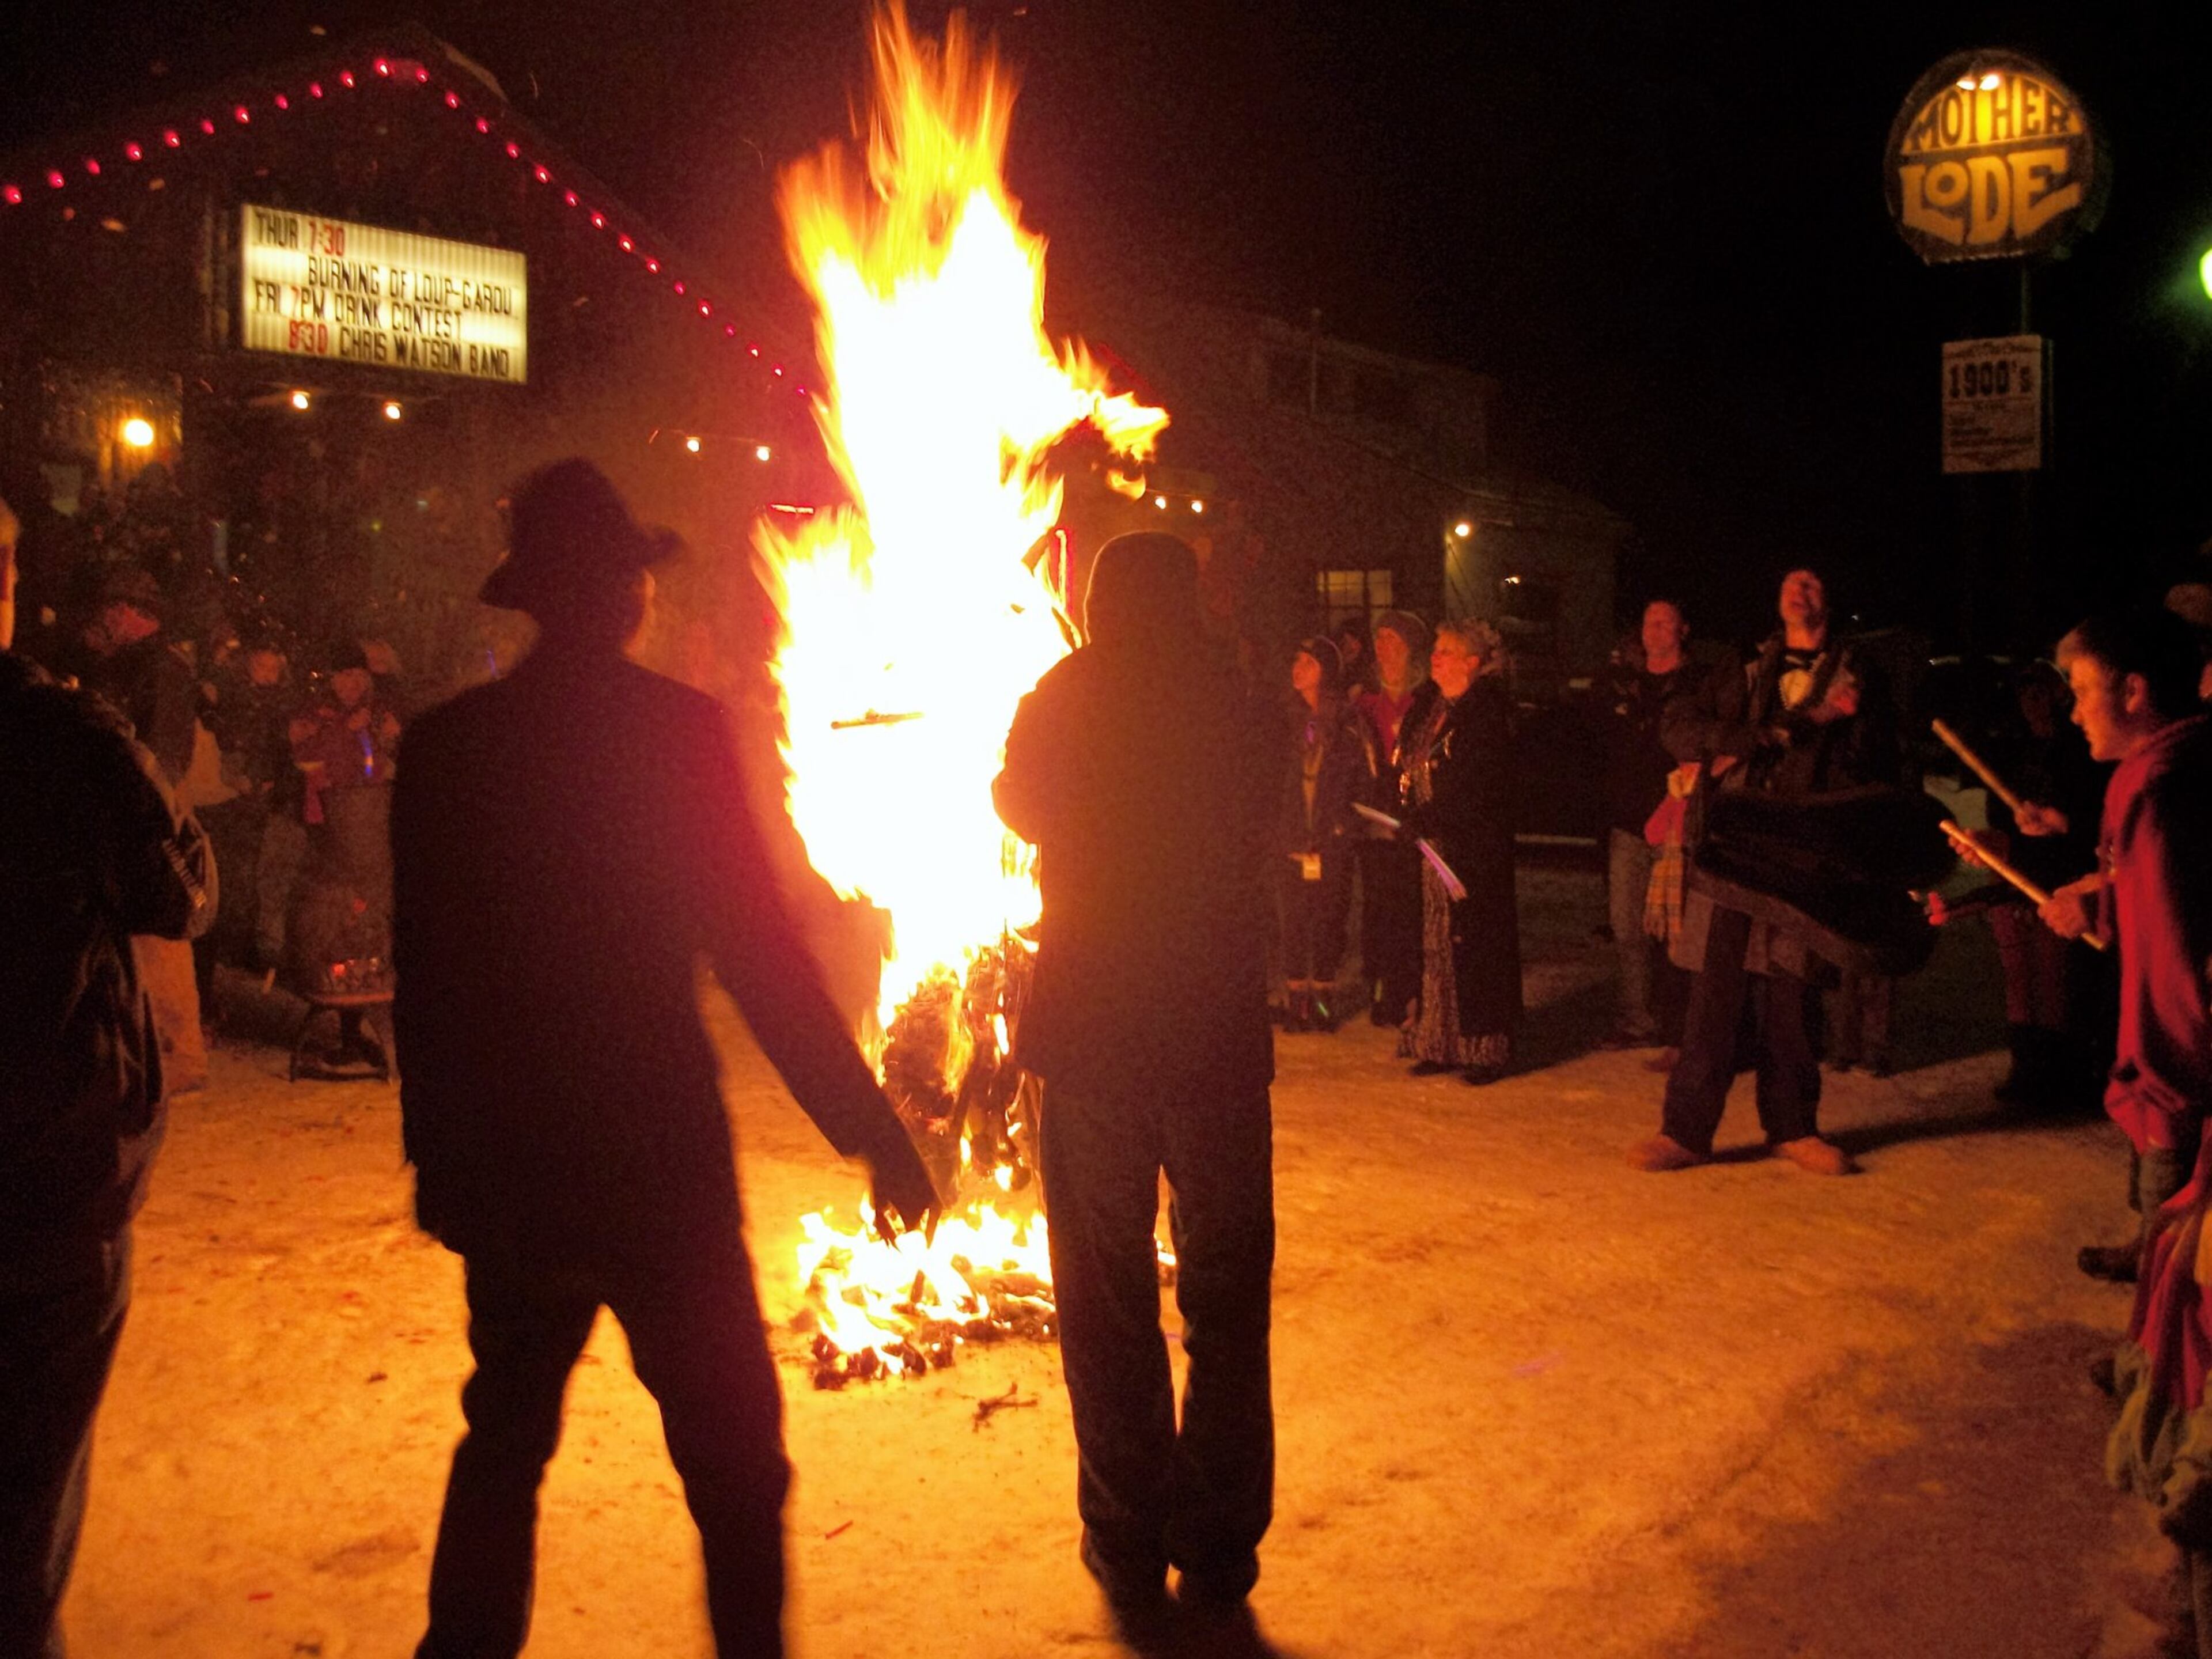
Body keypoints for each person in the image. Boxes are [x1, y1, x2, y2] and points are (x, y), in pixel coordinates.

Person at [391, 459, 938, 1659]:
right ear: (623, 593)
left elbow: (425, 986)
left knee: (506, 1449)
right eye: (635, 574)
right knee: (738, 1466)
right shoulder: (677, 737)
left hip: (519, 1168)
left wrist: (439, 1158)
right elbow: (759, 958)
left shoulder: (447, 752)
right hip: (656, 1168)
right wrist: (875, 1130)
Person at [994, 531, 1278, 1638]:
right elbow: (1262, 816)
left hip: (1097, 1041)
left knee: (1104, 1303)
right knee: (1227, 1300)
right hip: (1210, 1039)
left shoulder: (1061, 694)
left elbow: (1018, 804)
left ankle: (1123, 1538)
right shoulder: (1238, 699)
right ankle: (1215, 1547)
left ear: (1104, 602)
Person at [1, 495, 213, 1656]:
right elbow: (173, 896)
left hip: (49, 1161)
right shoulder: (64, 737)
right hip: (45, 1170)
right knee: (26, 1490)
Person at [1631, 568, 1899, 1176]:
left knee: (1792, 995)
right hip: (1735, 842)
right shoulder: (1743, 666)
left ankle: (1794, 1128)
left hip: (1805, 851)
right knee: (1714, 996)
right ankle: (1686, 1132)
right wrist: (1756, 738)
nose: (1799, 591)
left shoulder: (1861, 676)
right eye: (1790, 583)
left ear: (1829, 598)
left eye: (1812, 582)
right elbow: (1679, 725)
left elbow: (1882, 762)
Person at [2025, 610, 2212, 1283]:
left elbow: (2173, 950)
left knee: (2183, 1236)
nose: (2073, 714)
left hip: (2179, 1058)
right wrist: (2103, 890)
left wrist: (2163, 1076)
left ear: (2133, 692)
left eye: (2081, 692)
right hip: (2180, 1047)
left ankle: (2155, 1361)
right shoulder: (2177, 762)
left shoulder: (2158, 787)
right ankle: (2150, 1263)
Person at [1395, 618, 1521, 1085]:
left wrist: (1431, 819)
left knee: (1473, 943)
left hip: (1470, 849)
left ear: (1472, 662)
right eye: (1436, 647)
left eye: (1447, 650)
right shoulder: (1429, 707)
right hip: (1429, 846)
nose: (1436, 655)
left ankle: (1482, 1044)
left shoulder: (1485, 713)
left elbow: (1477, 784)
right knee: (1433, 942)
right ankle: (1438, 1038)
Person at [1600, 599, 1699, 1050]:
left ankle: (1681, 1024)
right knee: (1627, 925)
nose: (1653, 630)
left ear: (1683, 630)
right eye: (1647, 622)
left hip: (1677, 821)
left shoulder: (1695, 688)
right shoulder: (1629, 687)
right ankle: (1638, 1018)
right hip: (1629, 822)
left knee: (1677, 929)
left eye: (1663, 622)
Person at [1274, 636, 1374, 1032]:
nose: (1298, 668)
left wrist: (1345, 824)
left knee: (1329, 919)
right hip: (1292, 836)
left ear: (1326, 673)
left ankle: (1323, 1003)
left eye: (1308, 663)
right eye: (1296, 659)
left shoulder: (1347, 723)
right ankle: (1299, 1003)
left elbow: (1363, 778)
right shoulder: (1286, 721)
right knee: (1294, 919)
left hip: (1332, 838)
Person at [1353, 611, 1434, 1027]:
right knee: (1378, 908)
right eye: (1379, 639)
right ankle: (1383, 987)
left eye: (1392, 640)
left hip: (1409, 821)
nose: (1383, 648)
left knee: (1409, 907)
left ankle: (1412, 988)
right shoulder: (1365, 701)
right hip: (1373, 820)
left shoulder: (1426, 701)